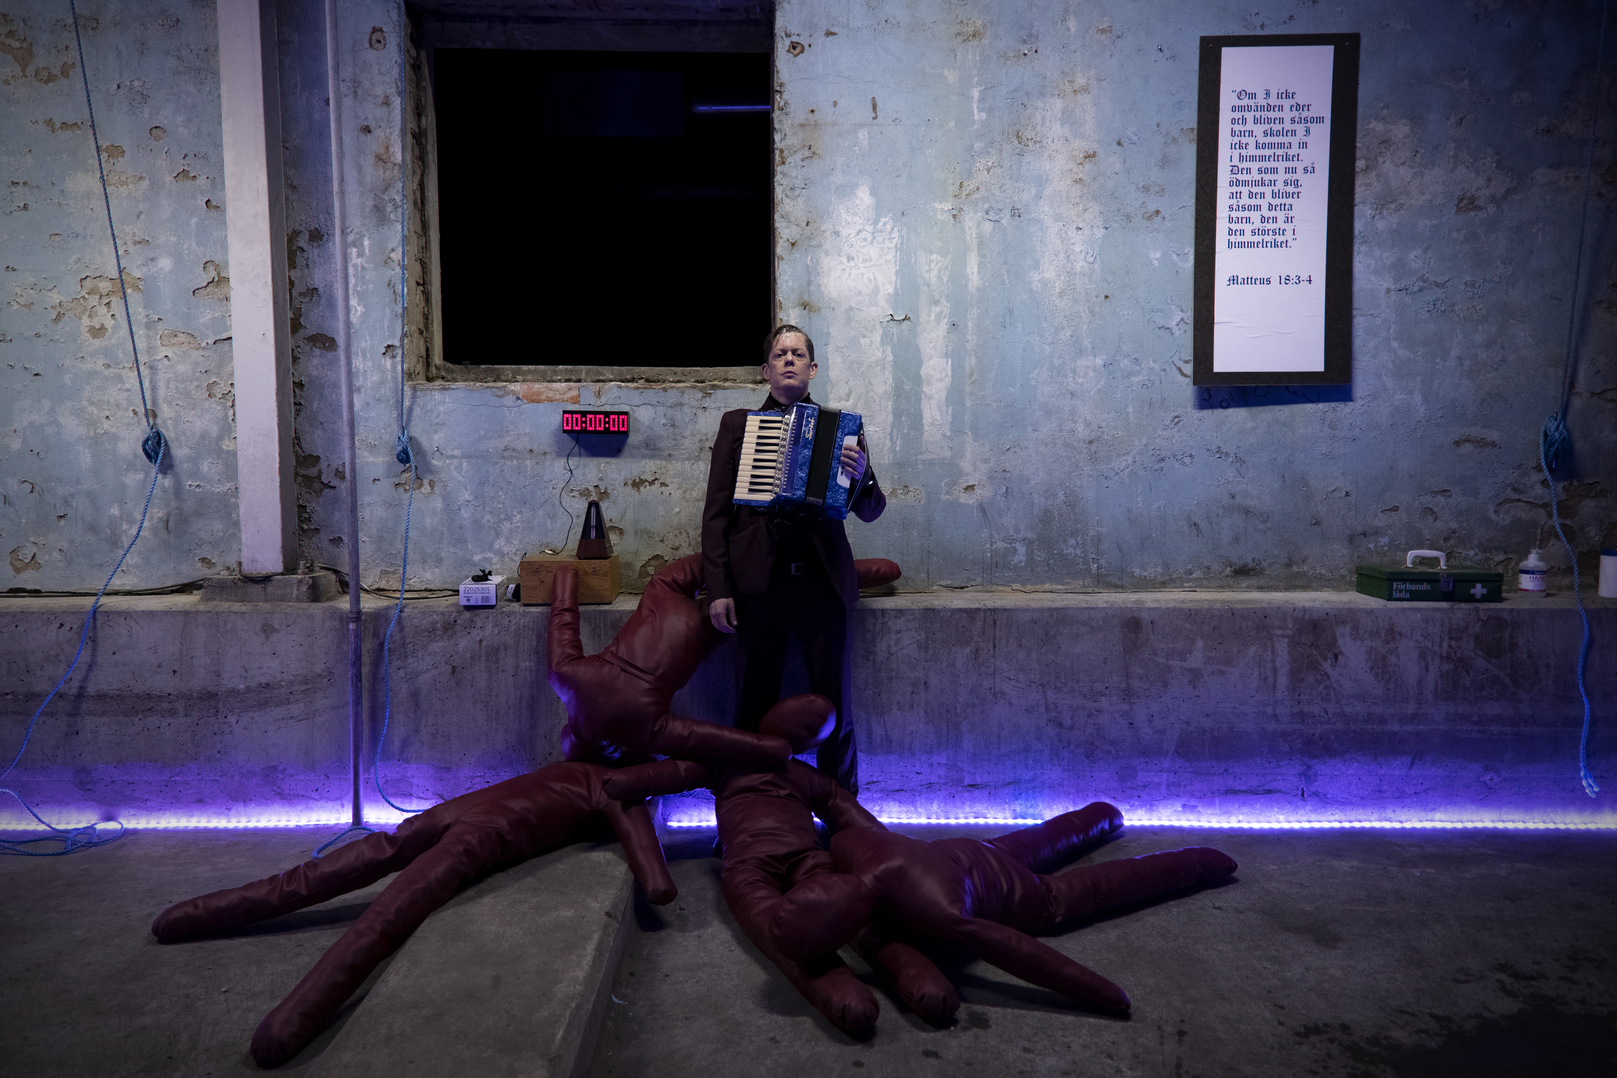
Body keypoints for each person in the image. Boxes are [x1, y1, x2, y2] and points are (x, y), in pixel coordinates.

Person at [149, 761, 676, 1068]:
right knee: (386, 916)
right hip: (482, 833)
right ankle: (285, 1025)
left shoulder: (574, 764)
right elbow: (655, 881)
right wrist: (660, 881)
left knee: (338, 869)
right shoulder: (617, 791)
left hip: (456, 810)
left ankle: (186, 916)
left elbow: (566, 655)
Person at [602, 693, 956, 1035]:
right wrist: (900, 854)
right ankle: (916, 978)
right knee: (858, 920)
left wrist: (621, 780)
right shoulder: (800, 774)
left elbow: (678, 773)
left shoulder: (728, 763)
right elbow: (852, 815)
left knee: (778, 926)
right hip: (803, 859)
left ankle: (844, 988)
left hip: (753, 865)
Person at [770, 804, 1239, 1019]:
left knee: (1106, 884)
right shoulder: (850, 846)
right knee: (1055, 833)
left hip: (1020, 896)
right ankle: (1107, 812)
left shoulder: (938, 911)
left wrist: (1104, 994)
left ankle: (1202, 861)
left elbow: (1016, 951)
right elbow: (845, 824)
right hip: (974, 850)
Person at [700, 324, 886, 793]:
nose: (789, 359)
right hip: (758, 588)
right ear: (766, 370)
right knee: (753, 700)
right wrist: (718, 588)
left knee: (835, 704)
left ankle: (842, 810)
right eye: (780, 354)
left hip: (823, 586)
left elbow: (871, 510)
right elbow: (716, 515)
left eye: (798, 354)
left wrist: (862, 476)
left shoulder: (844, 430)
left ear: (812, 369)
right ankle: (747, 805)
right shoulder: (738, 426)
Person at [547, 556, 795, 767]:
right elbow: (563, 615)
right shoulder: (564, 676)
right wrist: (565, 574)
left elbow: (713, 740)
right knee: (734, 554)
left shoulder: (646, 732)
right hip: (664, 588)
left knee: (764, 572)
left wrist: (776, 749)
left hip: (699, 628)